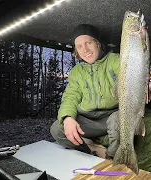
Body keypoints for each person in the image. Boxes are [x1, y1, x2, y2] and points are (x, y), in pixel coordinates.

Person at [50, 24, 120, 159]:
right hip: (88, 119)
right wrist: (68, 117)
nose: (85, 49)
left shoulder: (115, 60)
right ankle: (90, 150)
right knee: (57, 129)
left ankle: (110, 157)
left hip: (112, 115)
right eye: (79, 46)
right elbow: (70, 96)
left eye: (89, 43)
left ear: (98, 43)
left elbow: (130, 71)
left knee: (119, 122)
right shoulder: (77, 71)